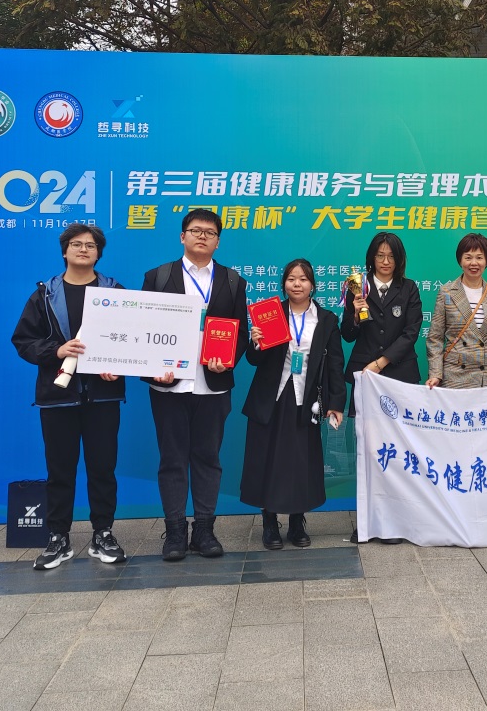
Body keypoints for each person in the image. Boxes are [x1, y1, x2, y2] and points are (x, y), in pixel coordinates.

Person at [11, 223, 127, 570]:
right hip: (58, 397)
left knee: (103, 469)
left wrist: (117, 364)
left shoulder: (114, 292)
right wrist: (56, 350)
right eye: (76, 244)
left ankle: (103, 534)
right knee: (60, 470)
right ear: (65, 251)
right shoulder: (45, 294)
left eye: (90, 245)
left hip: (103, 397)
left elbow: (130, 338)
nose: (83, 249)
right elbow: (23, 341)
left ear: (98, 253)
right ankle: (58, 538)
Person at [142, 209, 250, 560]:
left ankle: (204, 529)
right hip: (168, 386)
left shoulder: (232, 281)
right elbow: (144, 330)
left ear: (218, 241)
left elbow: (241, 333)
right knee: (172, 459)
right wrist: (154, 368)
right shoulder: (158, 276)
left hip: (212, 385)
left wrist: (227, 359)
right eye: (195, 230)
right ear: (182, 236)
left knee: (208, 458)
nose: (202, 236)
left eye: (210, 232)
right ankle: (175, 531)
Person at [241, 259, 347, 550]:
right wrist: (256, 342)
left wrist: (336, 403)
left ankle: (297, 522)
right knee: (269, 458)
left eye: (303, 279)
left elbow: (335, 364)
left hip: (306, 398)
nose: (296, 284)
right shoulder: (271, 313)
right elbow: (254, 359)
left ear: (312, 284)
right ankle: (269, 522)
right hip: (272, 397)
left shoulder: (326, 320)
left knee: (301, 461)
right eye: (291, 279)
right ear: (284, 284)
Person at [341, 231, 421, 544]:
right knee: (368, 449)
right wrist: (354, 312)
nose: (385, 261)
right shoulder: (356, 286)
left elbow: (411, 333)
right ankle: (367, 520)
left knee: (399, 449)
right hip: (365, 379)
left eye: (391, 256)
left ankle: (398, 519)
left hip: (399, 375)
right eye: (380, 255)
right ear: (371, 258)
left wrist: (381, 362)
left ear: (399, 260)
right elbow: (347, 334)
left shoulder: (409, 288)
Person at [426, 233, 487, 388]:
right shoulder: (447, 292)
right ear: (460, 260)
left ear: (486, 261)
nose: (474, 263)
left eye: (479, 257)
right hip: (455, 377)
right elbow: (435, 339)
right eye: (468, 257)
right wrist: (435, 374)